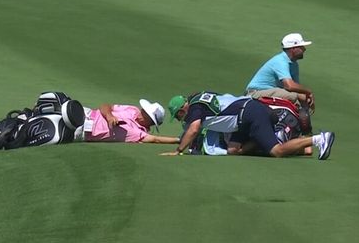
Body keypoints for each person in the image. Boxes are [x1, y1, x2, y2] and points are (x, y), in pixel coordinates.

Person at [162, 92, 335, 159]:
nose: (179, 120)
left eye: (178, 116)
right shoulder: (198, 97)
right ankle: (286, 141)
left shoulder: (194, 109)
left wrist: (178, 151)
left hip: (250, 115)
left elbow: (193, 130)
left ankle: (319, 139)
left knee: (276, 151)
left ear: (182, 110)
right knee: (233, 150)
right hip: (246, 113)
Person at [244, 33, 316, 112]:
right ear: (293, 49)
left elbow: (296, 88)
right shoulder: (280, 61)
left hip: (270, 91)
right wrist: (309, 91)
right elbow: (289, 86)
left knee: (302, 98)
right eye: (301, 47)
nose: (304, 49)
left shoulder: (294, 64)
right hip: (256, 93)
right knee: (294, 97)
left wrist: (306, 97)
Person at [78, 99, 179, 144]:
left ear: (150, 121)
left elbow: (155, 139)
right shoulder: (132, 109)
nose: (141, 111)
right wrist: (109, 116)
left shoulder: (138, 133)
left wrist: (178, 140)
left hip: (84, 131)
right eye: (144, 110)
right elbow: (105, 106)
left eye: (145, 113)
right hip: (86, 113)